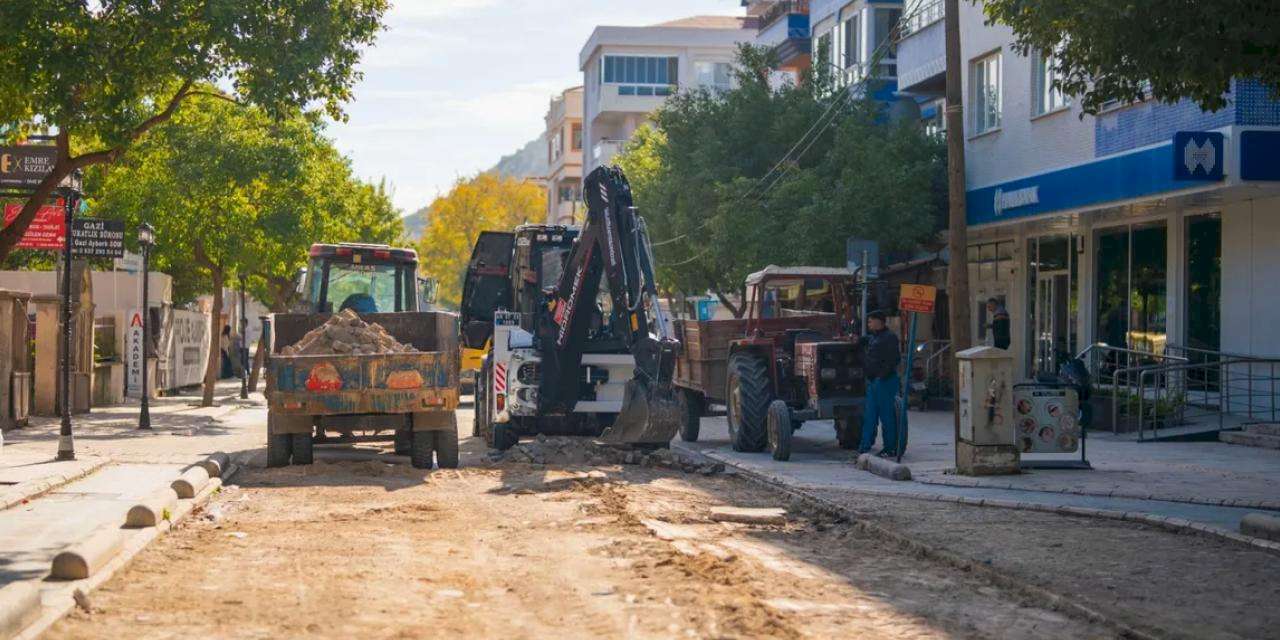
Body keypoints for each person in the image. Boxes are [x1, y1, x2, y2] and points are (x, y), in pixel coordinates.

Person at [859, 310, 903, 458]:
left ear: (879, 322)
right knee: (870, 415)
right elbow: (864, 340)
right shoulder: (874, 337)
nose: (869, 324)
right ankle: (864, 446)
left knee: (886, 416)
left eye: (871, 321)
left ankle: (889, 447)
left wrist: (881, 376)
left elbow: (894, 359)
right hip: (873, 381)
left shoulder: (889, 338)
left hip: (884, 381)